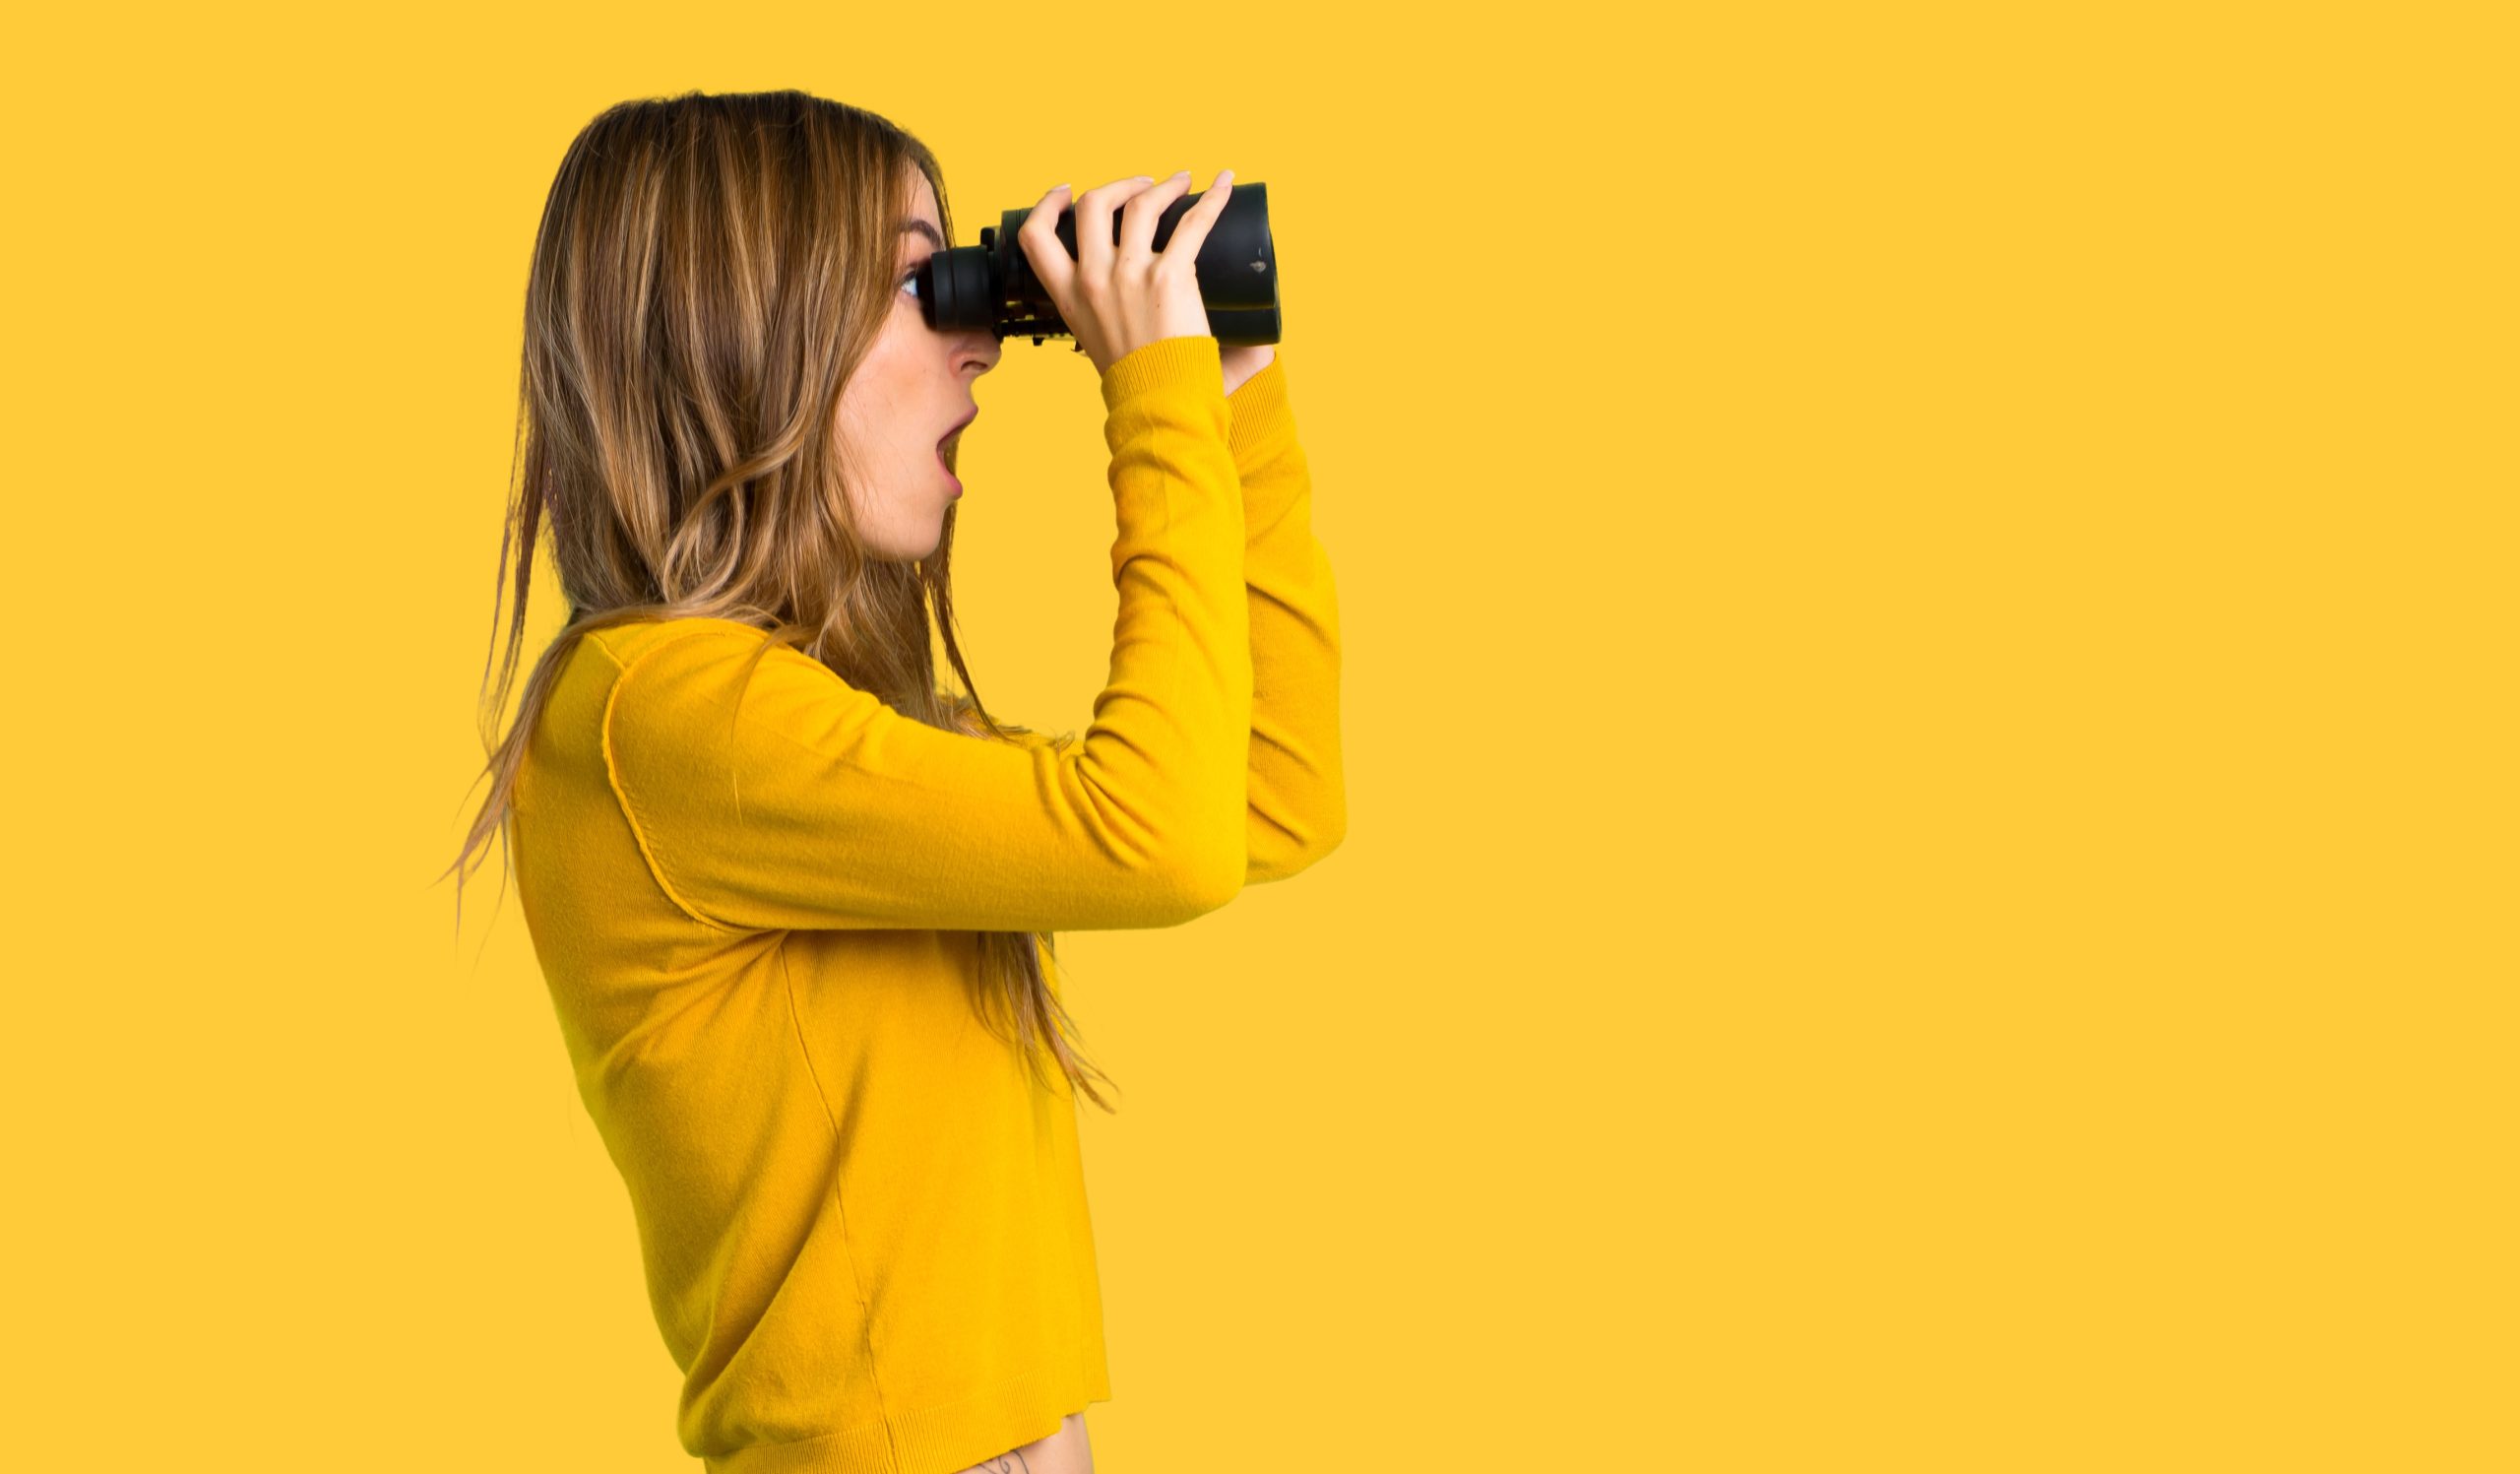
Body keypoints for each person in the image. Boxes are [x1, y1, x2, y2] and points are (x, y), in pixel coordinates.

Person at [442, 89, 1345, 1474]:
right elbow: (1159, 842)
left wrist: (1229, 402)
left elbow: (1266, 795)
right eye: (923, 286)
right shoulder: (659, 715)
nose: (981, 337)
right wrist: (1145, 399)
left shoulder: (803, 739)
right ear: (749, 333)